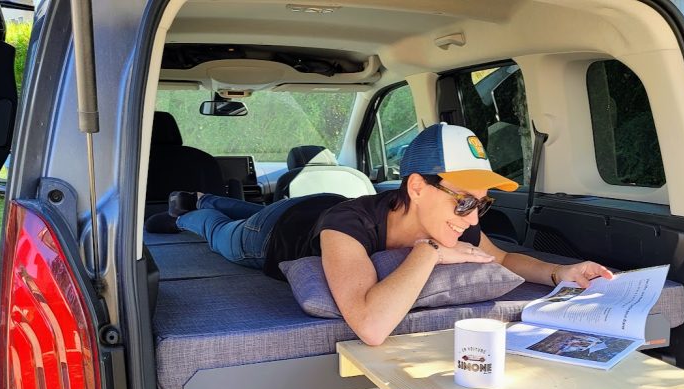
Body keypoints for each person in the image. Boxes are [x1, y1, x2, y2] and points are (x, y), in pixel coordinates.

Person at [149, 123, 614, 345]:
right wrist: (427, 253)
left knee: (238, 206)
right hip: (274, 231)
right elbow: (371, 326)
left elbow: (505, 260)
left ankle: (214, 202)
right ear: (417, 186)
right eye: (465, 201)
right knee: (220, 230)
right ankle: (191, 209)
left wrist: (561, 272)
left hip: (315, 205)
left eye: (483, 203)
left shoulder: (457, 223)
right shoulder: (348, 226)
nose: (474, 219)